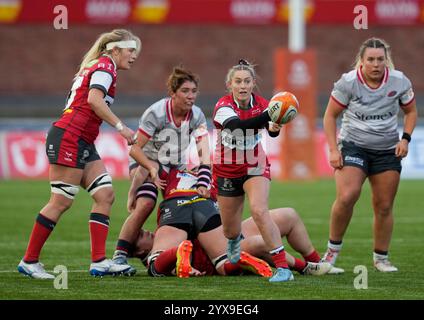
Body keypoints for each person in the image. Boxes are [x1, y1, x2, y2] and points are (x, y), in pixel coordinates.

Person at [17, 29, 141, 279]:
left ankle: (98, 262)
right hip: (70, 137)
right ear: (115, 49)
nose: (134, 56)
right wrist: (121, 128)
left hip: (80, 139)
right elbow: (95, 100)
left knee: (105, 195)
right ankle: (29, 261)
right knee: (61, 201)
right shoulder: (106, 66)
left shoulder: (99, 65)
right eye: (131, 50)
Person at [322, 37, 417, 272]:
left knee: (384, 205)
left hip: (387, 149)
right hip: (354, 145)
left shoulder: (399, 81)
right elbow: (329, 116)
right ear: (361, 62)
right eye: (371, 60)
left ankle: (381, 258)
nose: (376, 64)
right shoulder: (348, 82)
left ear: (387, 61)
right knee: (348, 195)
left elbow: (411, 111)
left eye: (380, 60)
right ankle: (331, 252)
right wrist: (334, 150)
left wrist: (405, 139)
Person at [131, 167, 331, 278]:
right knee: (261, 243)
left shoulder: (171, 225)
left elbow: (143, 166)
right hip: (223, 243)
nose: (147, 232)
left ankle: (316, 261)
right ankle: (304, 267)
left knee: (289, 215)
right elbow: (143, 166)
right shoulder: (168, 233)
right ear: (140, 251)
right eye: (141, 236)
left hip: (228, 228)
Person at [111, 66, 211, 274]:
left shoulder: (198, 115)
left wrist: (203, 179)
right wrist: (151, 170)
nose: (191, 96)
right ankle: (119, 256)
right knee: (146, 203)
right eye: (185, 91)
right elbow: (135, 149)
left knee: (191, 203)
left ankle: (192, 253)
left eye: (194, 91)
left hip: (175, 166)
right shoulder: (156, 113)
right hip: (145, 164)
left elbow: (205, 154)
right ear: (173, 93)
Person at [212, 59, 293, 282]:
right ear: (229, 84)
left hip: (255, 164)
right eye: (238, 81)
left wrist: (275, 127)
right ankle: (234, 240)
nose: (243, 86)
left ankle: (283, 268)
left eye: (247, 81)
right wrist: (270, 116)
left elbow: (271, 130)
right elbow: (238, 128)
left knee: (259, 210)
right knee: (229, 229)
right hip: (226, 169)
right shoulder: (223, 106)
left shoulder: (263, 104)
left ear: (253, 83)